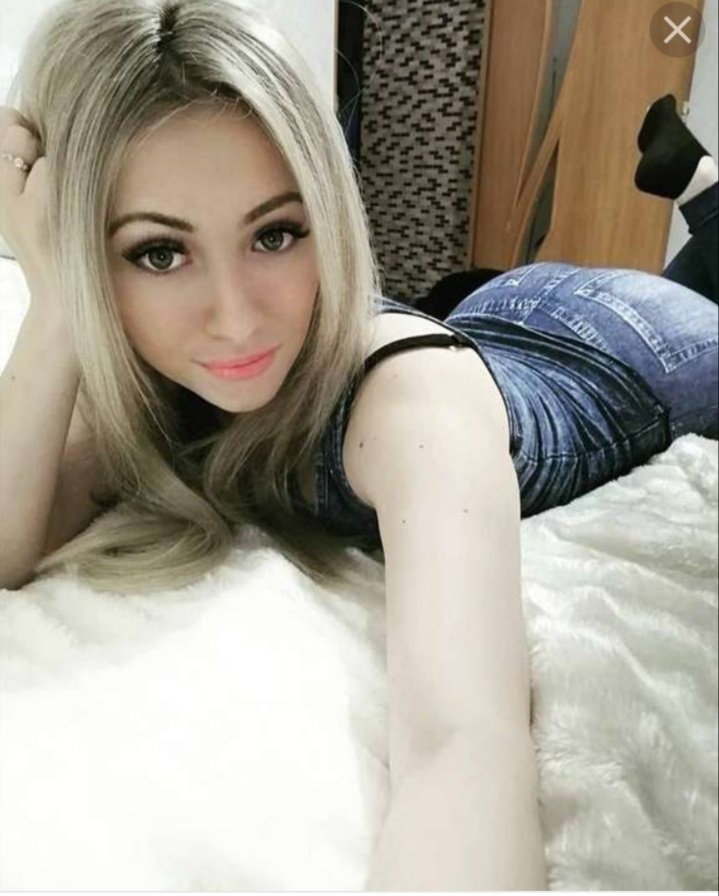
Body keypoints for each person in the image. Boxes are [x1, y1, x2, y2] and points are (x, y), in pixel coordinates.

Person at [0, 0, 716, 889]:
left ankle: (704, 197)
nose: (235, 320)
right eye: (157, 254)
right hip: (488, 314)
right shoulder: (134, 371)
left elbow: (463, 740)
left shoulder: (408, 407)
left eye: (276, 233)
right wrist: (56, 298)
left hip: (627, 346)